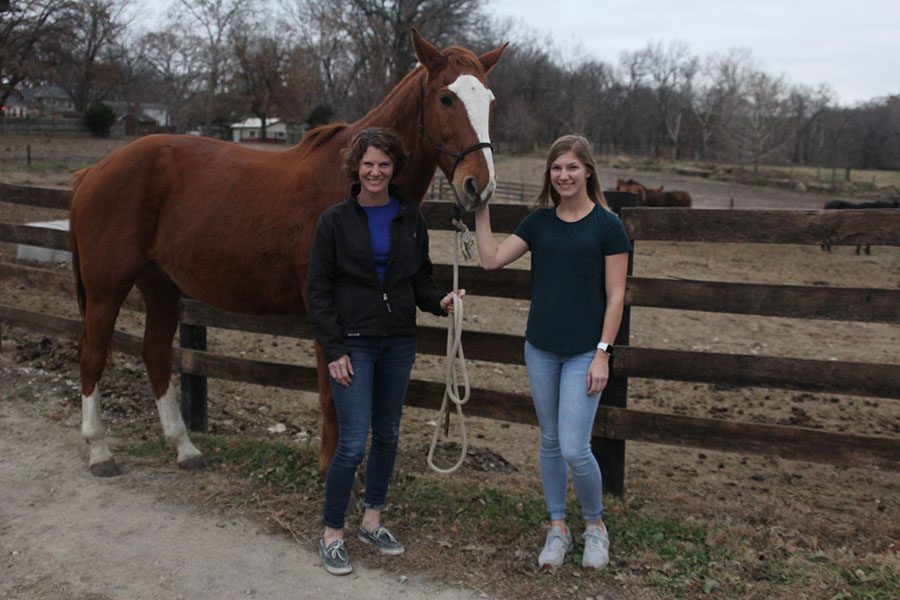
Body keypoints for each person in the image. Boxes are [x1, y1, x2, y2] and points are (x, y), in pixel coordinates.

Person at [307, 127, 464, 576]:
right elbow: (317, 293)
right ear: (356, 168)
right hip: (352, 345)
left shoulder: (410, 218)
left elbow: (421, 281)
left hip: (398, 341)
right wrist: (333, 348)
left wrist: (440, 302)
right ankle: (332, 533)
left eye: (384, 164)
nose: (376, 172)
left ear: (394, 169)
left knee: (390, 434)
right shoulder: (334, 221)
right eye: (368, 164)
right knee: (353, 441)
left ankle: (372, 519)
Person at [473, 134, 630, 570]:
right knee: (550, 440)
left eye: (572, 168)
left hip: (585, 351)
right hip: (541, 348)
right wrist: (480, 208)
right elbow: (490, 260)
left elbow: (616, 296)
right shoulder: (538, 223)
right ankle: (558, 527)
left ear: (588, 172)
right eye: (557, 168)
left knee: (575, 447)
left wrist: (603, 353)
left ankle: (595, 527)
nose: (564, 175)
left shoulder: (607, 226)